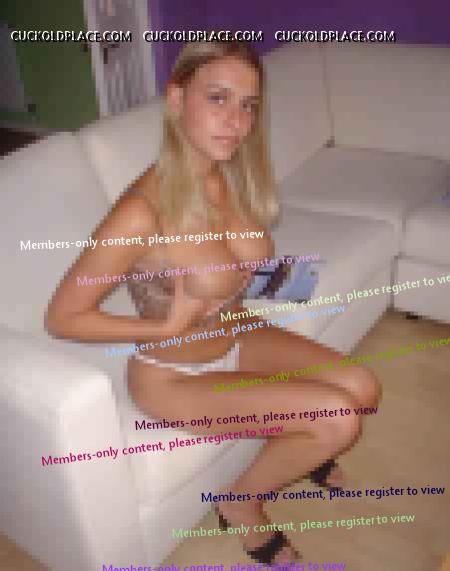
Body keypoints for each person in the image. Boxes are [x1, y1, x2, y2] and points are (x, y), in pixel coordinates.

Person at [45, 37, 380, 564]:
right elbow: (63, 317)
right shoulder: (139, 213)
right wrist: (160, 328)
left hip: (238, 334)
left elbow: (229, 266)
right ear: (177, 99)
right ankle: (240, 503)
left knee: (363, 387)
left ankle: (298, 442)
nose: (236, 121)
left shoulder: (219, 175)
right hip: (175, 374)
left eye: (248, 105)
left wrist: (282, 281)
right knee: (339, 419)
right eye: (218, 98)